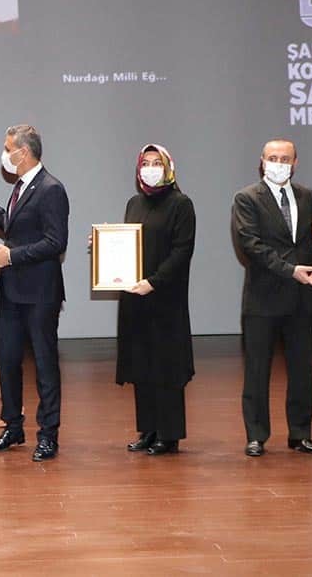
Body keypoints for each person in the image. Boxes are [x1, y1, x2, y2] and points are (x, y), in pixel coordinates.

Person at [0, 124, 69, 461]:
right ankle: (13, 426)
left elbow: (56, 242)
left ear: (24, 152)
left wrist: (12, 256)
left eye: (9, 148)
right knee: (7, 361)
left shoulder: (51, 188)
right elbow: (15, 226)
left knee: (44, 364)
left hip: (40, 293)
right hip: (12, 292)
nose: (5, 154)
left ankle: (48, 434)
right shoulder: (21, 187)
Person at [231, 139, 312, 457]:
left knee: (302, 369)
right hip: (263, 298)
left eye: (285, 158)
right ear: (262, 162)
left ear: (296, 162)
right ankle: (256, 435)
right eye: (273, 157)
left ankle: (301, 433)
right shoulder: (246, 198)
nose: (279, 162)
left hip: (302, 298)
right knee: (257, 370)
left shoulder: (306, 196)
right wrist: (290, 270)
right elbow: (250, 245)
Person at [114, 145, 195, 456]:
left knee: (166, 367)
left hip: (165, 299)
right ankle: (148, 430)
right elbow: (128, 245)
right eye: (145, 163)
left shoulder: (181, 204)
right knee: (142, 365)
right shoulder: (134, 203)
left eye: (156, 163)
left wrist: (154, 282)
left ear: (169, 168)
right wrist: (106, 248)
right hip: (135, 298)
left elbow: (182, 251)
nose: (150, 168)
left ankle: (169, 434)